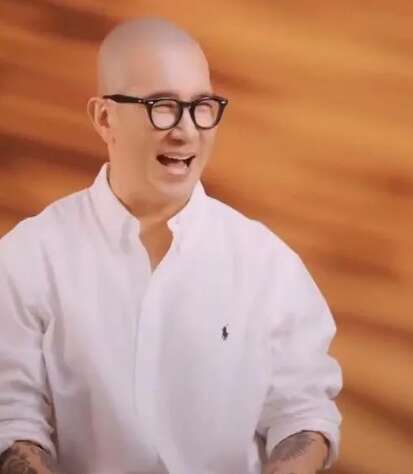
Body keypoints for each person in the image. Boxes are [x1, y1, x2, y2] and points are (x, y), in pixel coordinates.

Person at [0, 17, 341, 474]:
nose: (186, 131)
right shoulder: (28, 259)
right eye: (161, 106)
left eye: (201, 107)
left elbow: (303, 415)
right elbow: (12, 422)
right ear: (104, 118)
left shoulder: (267, 263)